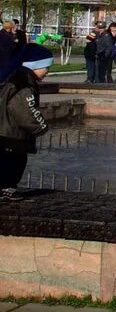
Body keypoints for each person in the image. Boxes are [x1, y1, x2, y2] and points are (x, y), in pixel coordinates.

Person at [0, 41, 51, 198]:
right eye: (46, 68)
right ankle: (5, 188)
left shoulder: (17, 78)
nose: (48, 71)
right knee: (12, 163)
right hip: (11, 134)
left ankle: (6, 187)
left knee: (10, 161)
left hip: (6, 131)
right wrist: (40, 126)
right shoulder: (23, 84)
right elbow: (25, 110)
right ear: (35, 66)